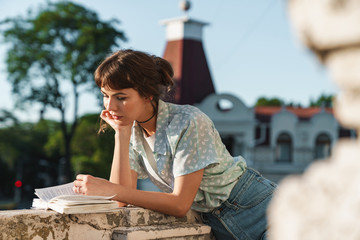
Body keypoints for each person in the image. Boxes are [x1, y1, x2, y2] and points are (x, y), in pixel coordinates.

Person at [73, 49, 276, 240]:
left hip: (264, 214)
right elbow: (120, 199)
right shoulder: (133, 131)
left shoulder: (188, 121)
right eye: (105, 96)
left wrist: (107, 188)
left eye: (121, 97)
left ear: (147, 94)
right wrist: (121, 132)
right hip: (222, 225)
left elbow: (179, 203)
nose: (110, 106)